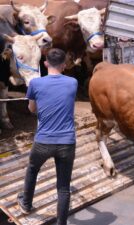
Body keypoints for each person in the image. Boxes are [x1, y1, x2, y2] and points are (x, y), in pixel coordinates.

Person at [17, 48, 78, 225]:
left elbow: (32, 110)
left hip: (43, 141)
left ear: (45, 63)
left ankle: (26, 203)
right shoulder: (73, 82)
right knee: (64, 188)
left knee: (32, 169)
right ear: (64, 65)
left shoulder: (35, 84)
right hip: (67, 142)